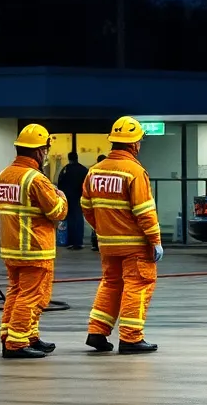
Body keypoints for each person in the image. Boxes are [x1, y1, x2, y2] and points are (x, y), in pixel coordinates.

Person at [82, 117, 162, 353]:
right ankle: (131, 338)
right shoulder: (134, 172)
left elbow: (86, 206)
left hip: (107, 244)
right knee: (137, 286)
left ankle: (97, 332)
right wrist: (155, 240)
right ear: (134, 144)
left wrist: (102, 229)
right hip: (135, 245)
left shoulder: (94, 171)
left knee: (110, 285)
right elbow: (145, 211)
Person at [0, 123, 69, 359]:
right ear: (39, 151)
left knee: (16, 293)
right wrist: (62, 197)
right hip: (35, 248)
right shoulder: (36, 180)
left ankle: (20, 336)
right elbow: (57, 211)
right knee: (33, 296)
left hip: (12, 249)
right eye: (46, 150)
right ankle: (18, 342)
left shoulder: (4, 175)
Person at [57, 151, 89, 250]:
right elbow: (88, 183)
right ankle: (79, 241)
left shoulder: (66, 169)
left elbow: (60, 183)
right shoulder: (83, 169)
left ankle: (71, 242)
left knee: (70, 219)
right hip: (80, 197)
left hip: (69, 198)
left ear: (69, 158)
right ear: (77, 158)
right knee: (79, 219)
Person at [90, 154, 107, 251]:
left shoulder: (93, 172)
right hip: (105, 202)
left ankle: (95, 243)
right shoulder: (109, 172)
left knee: (96, 223)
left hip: (95, 201)